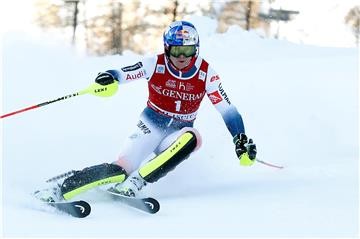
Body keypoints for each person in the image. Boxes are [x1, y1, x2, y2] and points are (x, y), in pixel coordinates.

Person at [34, 20, 257, 202]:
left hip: (175, 136)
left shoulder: (206, 73)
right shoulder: (155, 63)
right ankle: (59, 189)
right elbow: (125, 73)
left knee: (193, 138)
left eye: (188, 50)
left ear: (196, 49)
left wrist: (240, 138)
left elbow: (228, 110)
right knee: (120, 169)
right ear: (167, 48)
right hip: (149, 126)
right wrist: (110, 77)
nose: (182, 57)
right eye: (177, 50)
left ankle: (137, 182)